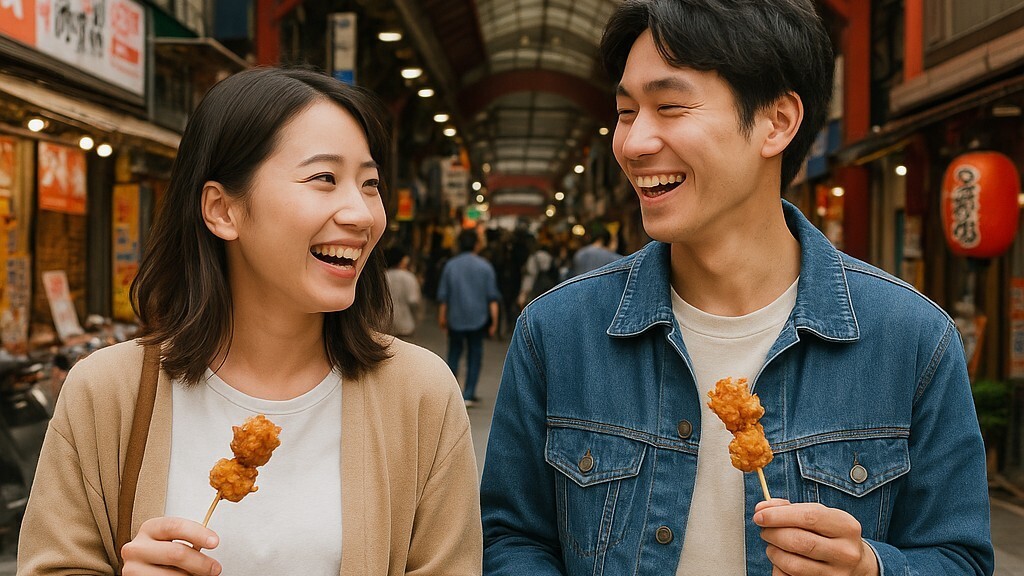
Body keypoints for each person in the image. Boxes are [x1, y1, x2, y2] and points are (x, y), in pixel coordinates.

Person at [480, 1, 994, 575]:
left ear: (777, 122)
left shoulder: (912, 339)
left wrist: (869, 568)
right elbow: (511, 538)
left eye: (669, 107)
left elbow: (959, 557)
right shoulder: (557, 332)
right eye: (626, 112)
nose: (633, 143)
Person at [18, 67, 482, 575]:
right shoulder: (107, 392)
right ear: (222, 210)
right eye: (324, 179)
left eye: (370, 184)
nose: (363, 214)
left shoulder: (421, 394)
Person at [437, 228, 501, 408]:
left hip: (455, 317)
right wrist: (494, 322)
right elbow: (492, 298)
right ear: (476, 245)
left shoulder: (450, 265)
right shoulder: (485, 267)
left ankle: (451, 393)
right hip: (478, 319)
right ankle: (469, 393)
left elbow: (444, 296)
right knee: (475, 355)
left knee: (454, 354)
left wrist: (442, 317)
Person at [384, 245, 422, 337]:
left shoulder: (382, 276)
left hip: (384, 324)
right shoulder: (409, 277)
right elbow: (413, 301)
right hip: (405, 324)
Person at [517, 234, 560, 309]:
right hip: (548, 288)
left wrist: (523, 293)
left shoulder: (533, 257)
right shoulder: (547, 256)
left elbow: (530, 276)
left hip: (534, 290)